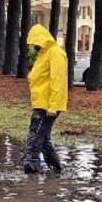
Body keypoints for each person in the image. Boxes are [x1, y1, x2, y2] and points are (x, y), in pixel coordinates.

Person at [23, 23, 68, 173]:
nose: (34, 46)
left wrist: (53, 106)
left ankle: (32, 169)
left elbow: (58, 80)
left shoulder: (55, 53)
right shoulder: (43, 53)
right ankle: (56, 168)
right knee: (42, 138)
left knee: (35, 137)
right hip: (41, 102)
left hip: (47, 105)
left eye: (35, 42)